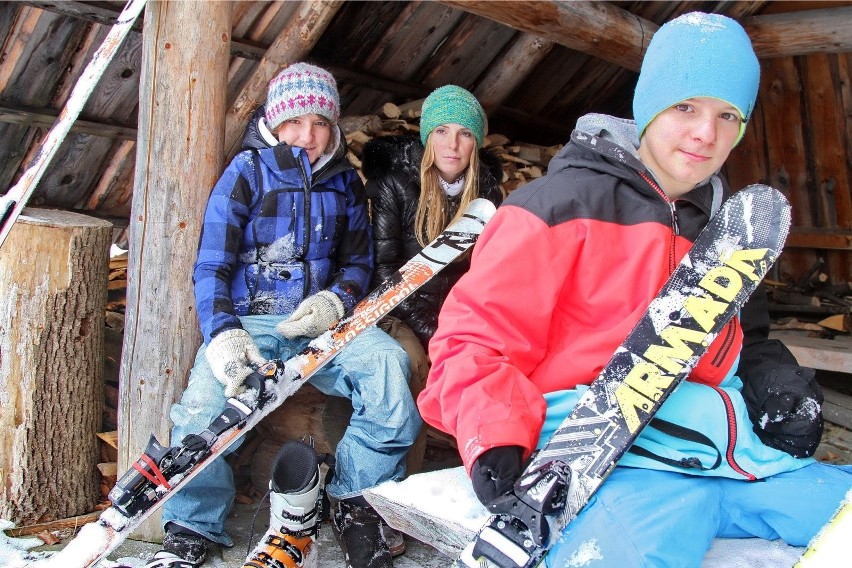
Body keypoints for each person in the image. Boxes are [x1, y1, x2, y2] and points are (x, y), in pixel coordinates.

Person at [418, 12, 851, 567]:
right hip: (608, 464)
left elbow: (749, 338)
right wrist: (495, 434)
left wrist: (780, 387)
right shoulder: (555, 208)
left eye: (728, 116)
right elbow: (472, 341)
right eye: (685, 107)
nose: (705, 133)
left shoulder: (727, 228)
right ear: (648, 107)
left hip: (722, 448)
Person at [147, 62, 421, 568]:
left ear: (334, 126)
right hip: (251, 320)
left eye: (320, 123)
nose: (308, 135)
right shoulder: (246, 174)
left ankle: (356, 499)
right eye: (296, 122)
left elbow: (358, 263)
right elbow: (212, 264)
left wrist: (335, 301)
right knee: (201, 411)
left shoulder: (345, 182)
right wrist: (224, 334)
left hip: (321, 322)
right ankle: (192, 522)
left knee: (388, 367)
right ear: (275, 123)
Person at [362, 84, 504, 354]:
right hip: (402, 311)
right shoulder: (396, 184)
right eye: (442, 131)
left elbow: (487, 274)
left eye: (464, 134)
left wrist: (460, 326)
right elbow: (384, 271)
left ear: (476, 143)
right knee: (413, 365)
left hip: (458, 316)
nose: (452, 145)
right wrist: (431, 330)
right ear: (428, 136)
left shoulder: (487, 194)